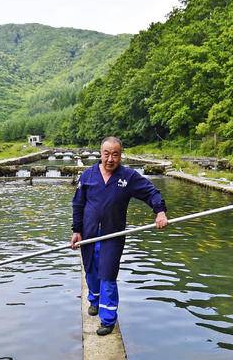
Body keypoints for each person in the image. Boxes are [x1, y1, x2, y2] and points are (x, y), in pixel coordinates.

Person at [70, 136, 168, 336]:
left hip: (113, 234)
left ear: (121, 156)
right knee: (90, 268)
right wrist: (76, 230)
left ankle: (108, 320)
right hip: (89, 233)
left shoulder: (128, 177)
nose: (110, 159)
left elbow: (151, 192)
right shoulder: (88, 176)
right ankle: (95, 301)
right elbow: (78, 205)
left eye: (115, 154)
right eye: (106, 154)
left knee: (108, 274)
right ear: (100, 153)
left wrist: (159, 211)